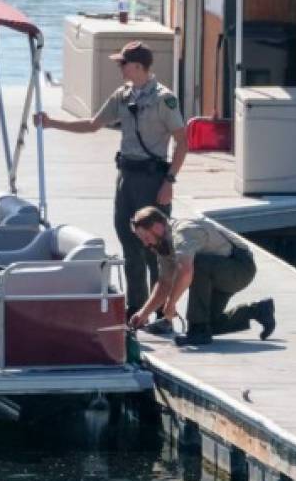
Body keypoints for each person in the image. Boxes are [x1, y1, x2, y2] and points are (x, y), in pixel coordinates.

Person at [35, 40, 188, 319]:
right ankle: (136, 309)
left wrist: (170, 180)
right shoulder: (123, 95)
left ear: (139, 66)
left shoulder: (164, 98)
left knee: (158, 247)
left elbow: (182, 141)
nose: (120, 67)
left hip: (153, 179)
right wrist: (52, 123)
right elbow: (94, 124)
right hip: (127, 178)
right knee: (129, 240)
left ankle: (162, 314)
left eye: (124, 63)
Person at [127, 206, 276, 347]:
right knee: (210, 323)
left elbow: (186, 271)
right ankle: (259, 310)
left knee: (196, 264)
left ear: (157, 227)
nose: (146, 244)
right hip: (218, 273)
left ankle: (197, 331)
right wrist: (143, 313)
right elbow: (164, 283)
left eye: (146, 237)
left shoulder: (183, 232)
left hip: (241, 268)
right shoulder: (163, 245)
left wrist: (171, 304)